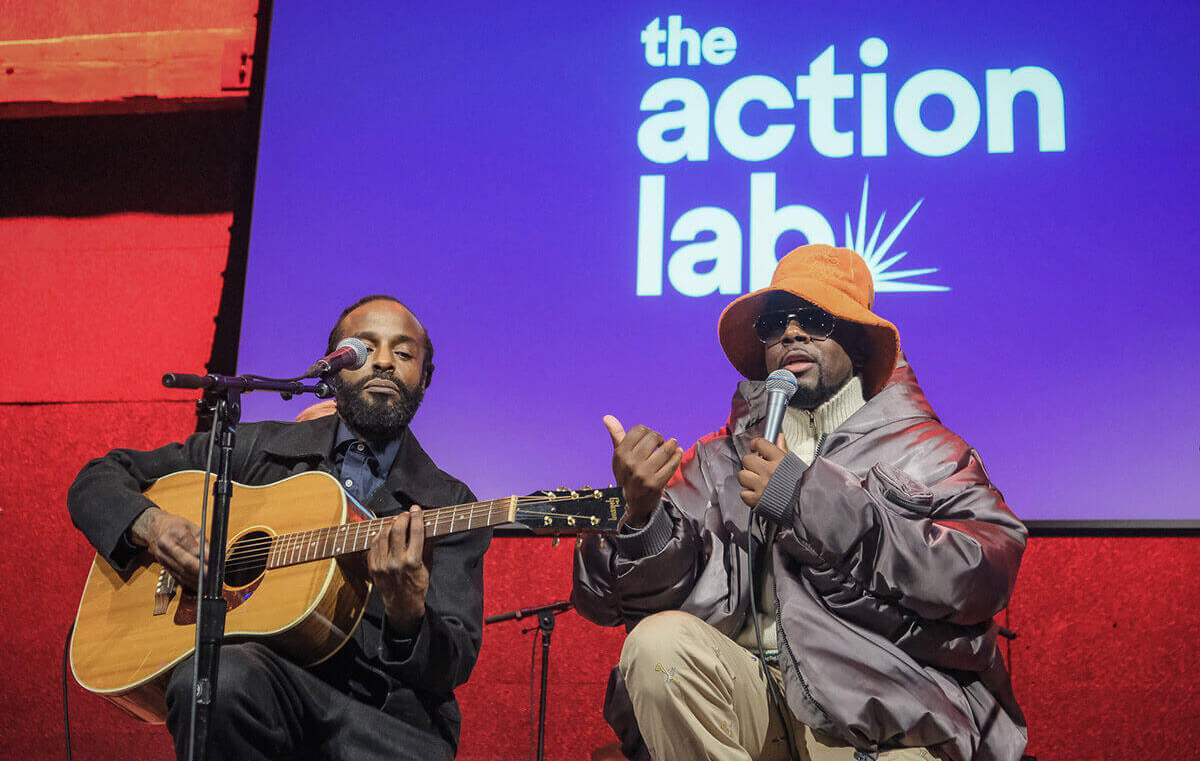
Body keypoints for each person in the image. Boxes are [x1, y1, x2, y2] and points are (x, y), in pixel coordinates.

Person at [573, 246, 1027, 761]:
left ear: (856, 341)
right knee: (658, 645)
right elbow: (604, 606)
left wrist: (803, 495)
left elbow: (980, 576)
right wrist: (641, 519)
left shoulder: (928, 451)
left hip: (873, 706)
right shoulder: (714, 460)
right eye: (773, 324)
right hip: (747, 695)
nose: (790, 333)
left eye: (813, 318)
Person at [68, 295, 488, 761]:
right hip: (260, 686)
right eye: (364, 349)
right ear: (333, 367)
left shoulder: (448, 505)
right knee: (213, 680)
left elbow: (450, 666)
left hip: (380, 719)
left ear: (425, 380)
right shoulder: (254, 449)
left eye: (404, 353)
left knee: (223, 679)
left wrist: (407, 613)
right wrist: (150, 523)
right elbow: (100, 476)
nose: (385, 362)